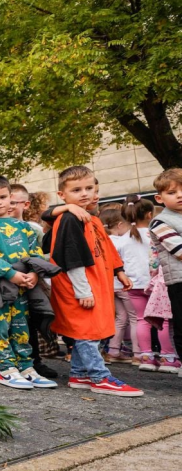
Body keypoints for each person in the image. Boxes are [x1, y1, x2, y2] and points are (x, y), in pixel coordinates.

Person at [49, 165, 141, 395]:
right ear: (63, 195)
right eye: (77, 190)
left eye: (89, 188)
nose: (84, 194)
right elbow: (72, 257)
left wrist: (119, 270)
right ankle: (100, 377)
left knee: (87, 331)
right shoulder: (70, 218)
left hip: (94, 284)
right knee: (88, 332)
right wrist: (82, 291)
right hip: (79, 287)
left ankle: (79, 375)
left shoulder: (91, 218)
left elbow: (106, 247)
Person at [0, 176, 57, 389]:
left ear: (11, 198)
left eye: (3, 197)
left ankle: (26, 366)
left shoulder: (24, 227)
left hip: (22, 289)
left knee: (22, 327)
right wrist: (10, 274)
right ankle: (6, 368)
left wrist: (35, 273)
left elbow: (35, 253)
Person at [119, 195, 174, 371]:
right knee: (164, 320)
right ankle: (168, 358)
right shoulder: (156, 233)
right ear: (150, 214)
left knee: (141, 320)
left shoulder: (122, 239)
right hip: (157, 284)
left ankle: (145, 356)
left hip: (132, 284)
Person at [148, 169, 182, 374]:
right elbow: (179, 251)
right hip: (179, 280)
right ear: (159, 198)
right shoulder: (161, 222)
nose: (180, 195)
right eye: (172, 192)